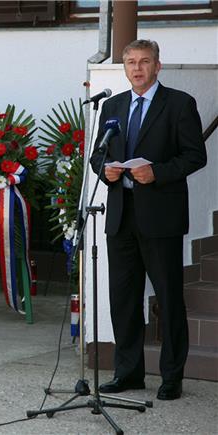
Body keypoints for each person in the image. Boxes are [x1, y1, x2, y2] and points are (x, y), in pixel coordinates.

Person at [90, 39, 207, 400]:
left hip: (161, 218)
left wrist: (157, 173)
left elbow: (194, 156)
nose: (137, 68)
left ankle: (172, 377)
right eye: (130, 63)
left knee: (168, 299)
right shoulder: (112, 105)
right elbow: (98, 156)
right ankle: (129, 373)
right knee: (123, 299)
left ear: (157, 66)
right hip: (121, 216)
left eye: (144, 62)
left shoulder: (179, 104)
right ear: (125, 68)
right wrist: (105, 171)